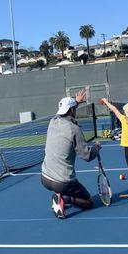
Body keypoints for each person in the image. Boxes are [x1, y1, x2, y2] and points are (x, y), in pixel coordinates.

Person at [41, 90, 101, 219]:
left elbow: (68, 112)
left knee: (57, 177)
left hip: (45, 178)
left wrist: (76, 102)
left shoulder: (52, 121)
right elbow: (87, 156)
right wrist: (96, 147)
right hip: (63, 182)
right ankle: (65, 199)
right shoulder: (74, 129)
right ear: (72, 110)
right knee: (89, 202)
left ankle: (59, 196)